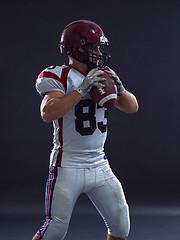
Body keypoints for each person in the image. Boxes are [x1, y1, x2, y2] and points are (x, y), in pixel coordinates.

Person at [32, 19, 138, 240]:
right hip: (67, 164)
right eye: (94, 48)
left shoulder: (103, 73)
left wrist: (121, 89)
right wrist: (81, 89)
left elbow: (132, 107)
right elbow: (48, 113)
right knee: (54, 230)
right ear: (76, 50)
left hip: (99, 163)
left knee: (120, 224)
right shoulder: (58, 76)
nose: (99, 53)